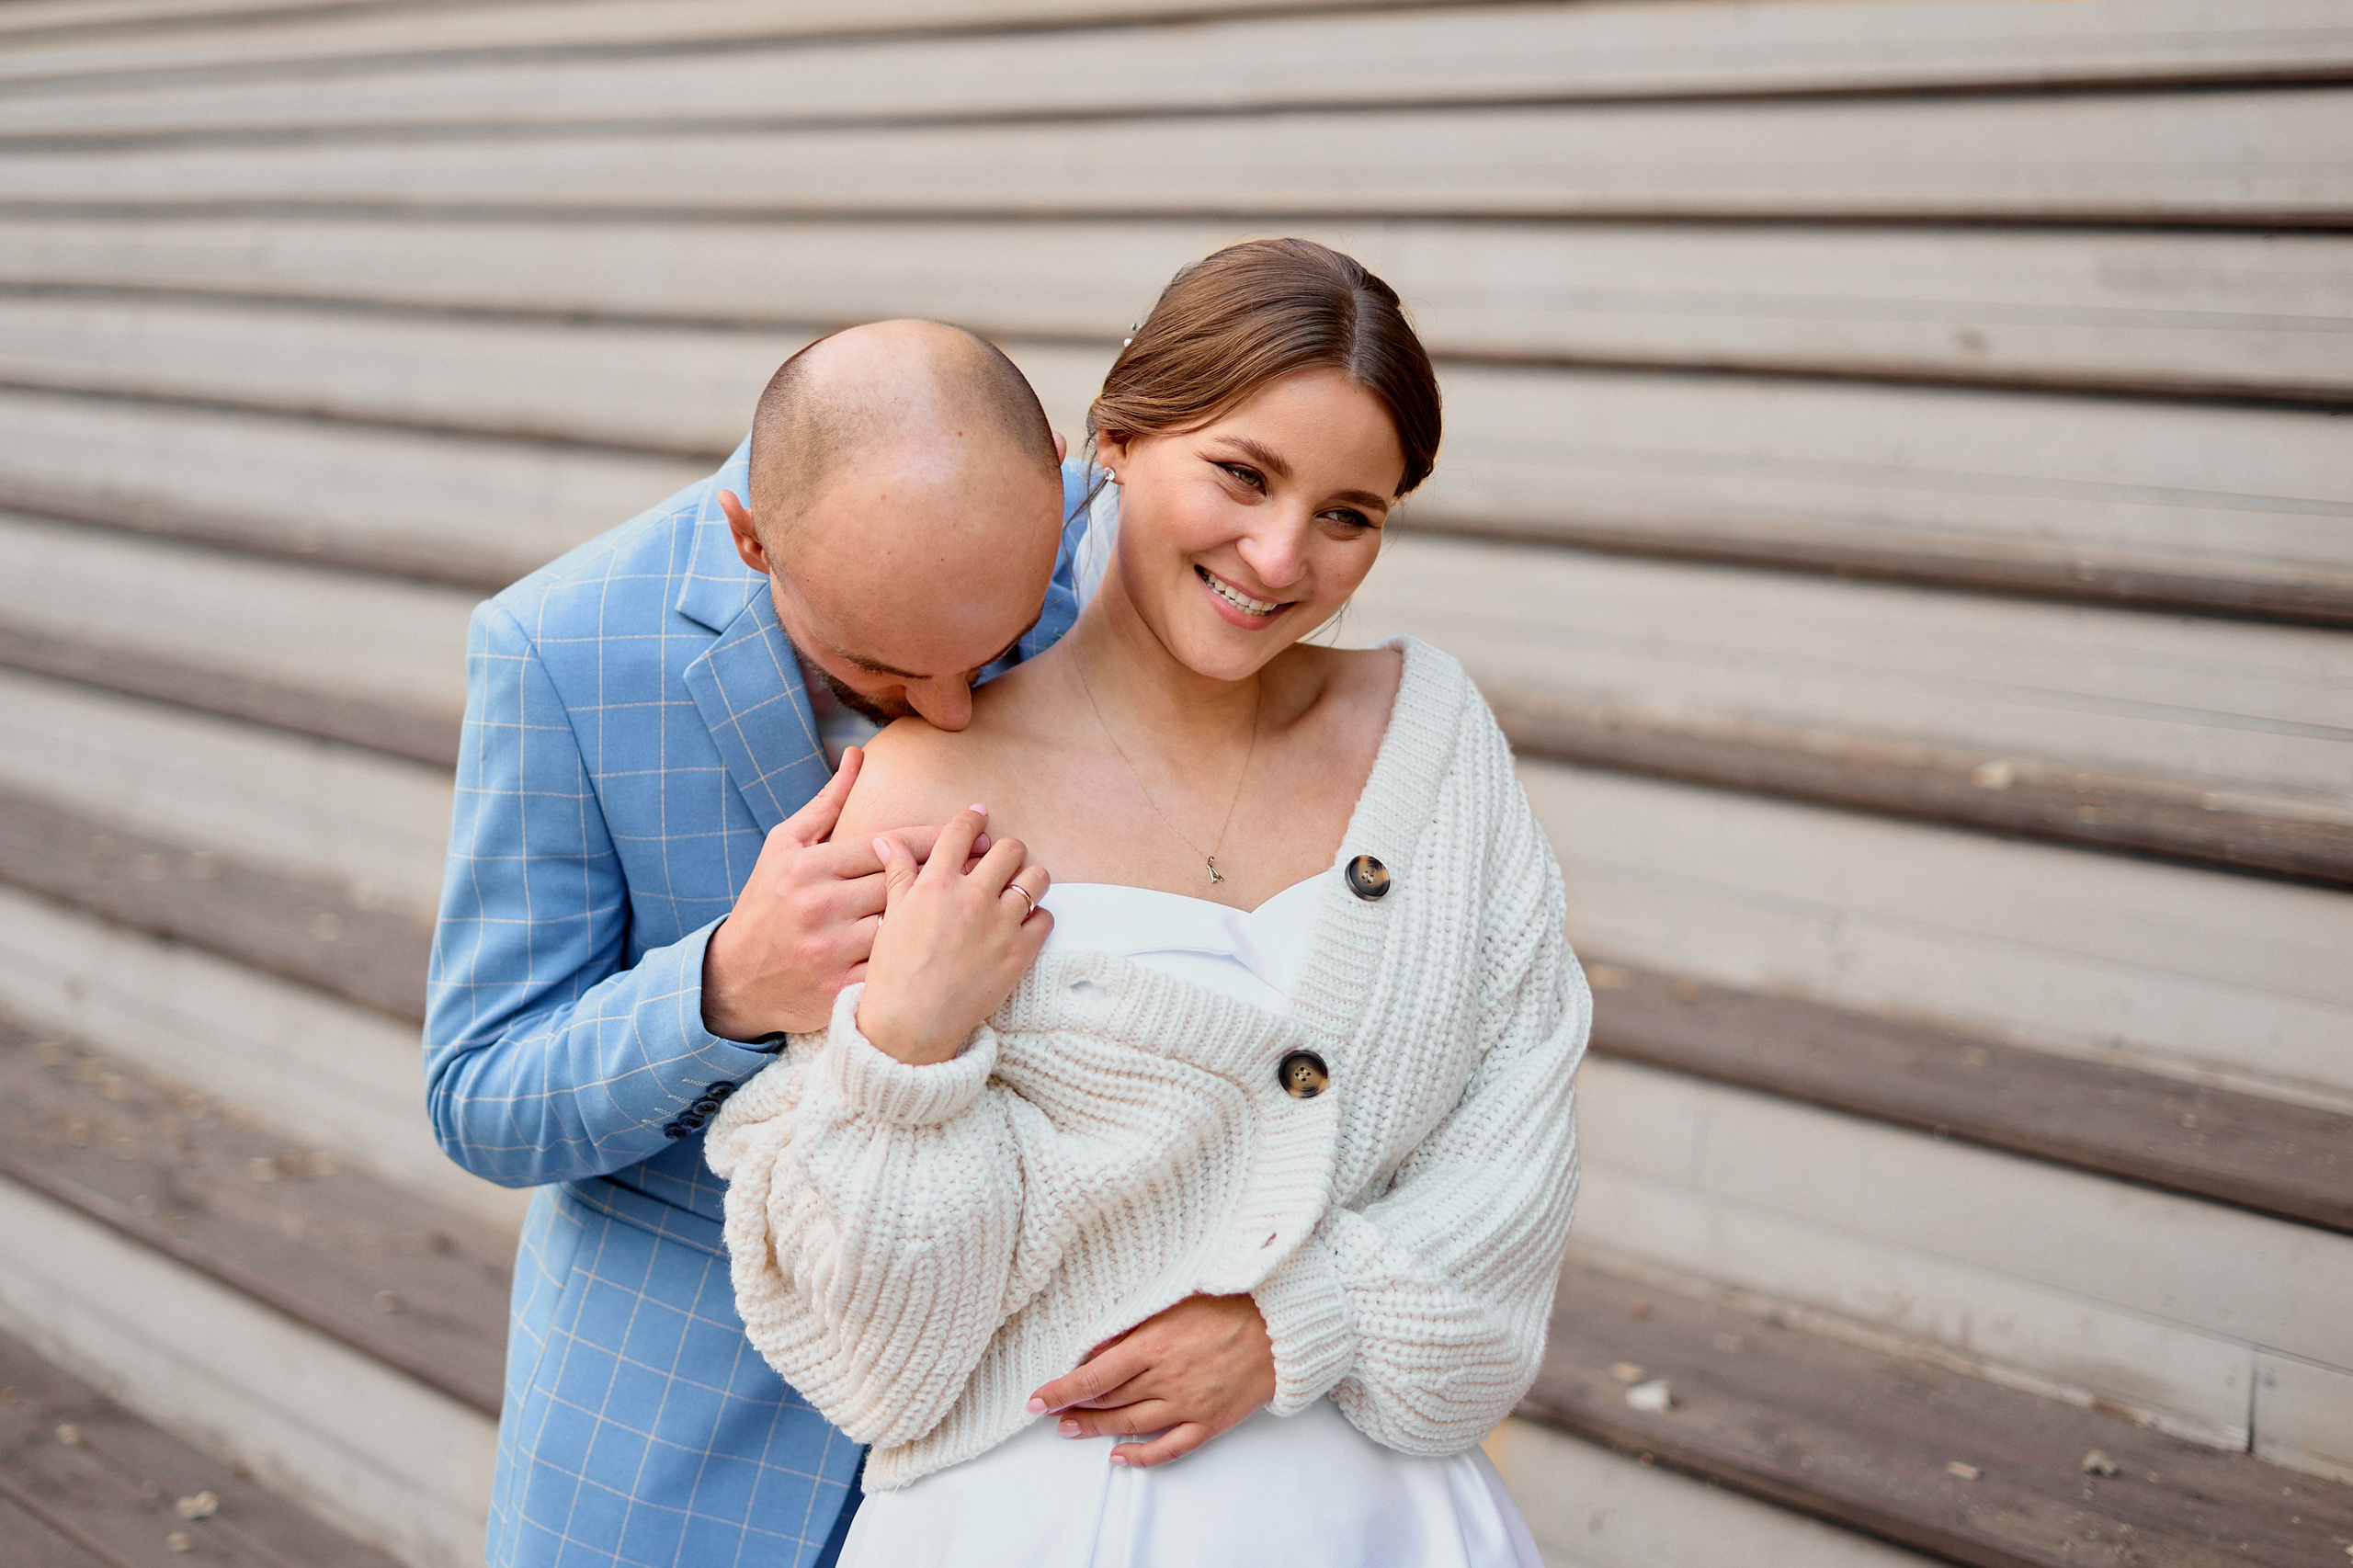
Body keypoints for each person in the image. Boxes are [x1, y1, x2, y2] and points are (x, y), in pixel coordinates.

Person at [706, 239, 1590, 1565]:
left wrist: (1306, 1318)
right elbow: (875, 1354)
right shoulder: (917, 794)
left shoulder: (1434, 743)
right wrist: (905, 1056)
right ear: (1113, 439)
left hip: (1384, 1519)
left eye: (1350, 514)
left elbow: (1518, 1147)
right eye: (1242, 473)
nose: (1281, 554)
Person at [427, 321, 1270, 1568]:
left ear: (1055, 475)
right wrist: (723, 988)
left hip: (1044, 1439)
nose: (947, 710)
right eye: (879, 665)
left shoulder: (1122, 560)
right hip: (682, 1454)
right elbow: (481, 1097)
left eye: (989, 652)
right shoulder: (559, 650)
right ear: (750, 539)